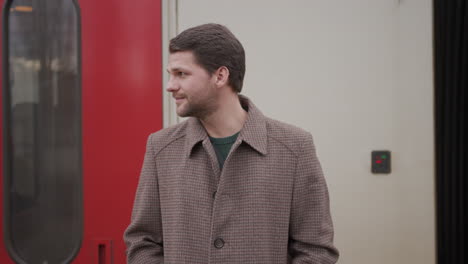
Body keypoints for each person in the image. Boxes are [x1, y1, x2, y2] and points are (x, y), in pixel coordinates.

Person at [123, 23, 339, 264]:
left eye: (181, 74)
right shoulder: (161, 147)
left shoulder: (295, 147)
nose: (170, 85)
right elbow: (142, 242)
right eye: (170, 74)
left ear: (220, 75)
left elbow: (316, 251)